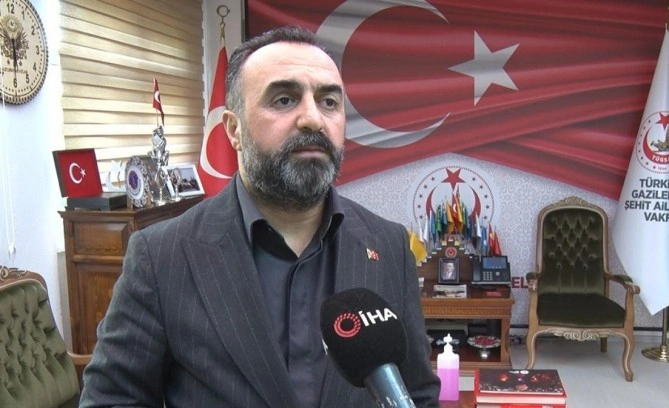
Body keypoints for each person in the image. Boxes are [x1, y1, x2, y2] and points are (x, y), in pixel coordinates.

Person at [79, 26, 440, 407]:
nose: (313, 119)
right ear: (233, 130)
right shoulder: (161, 256)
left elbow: (416, 392)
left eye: (329, 102)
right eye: (284, 100)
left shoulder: (388, 245)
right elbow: (111, 400)